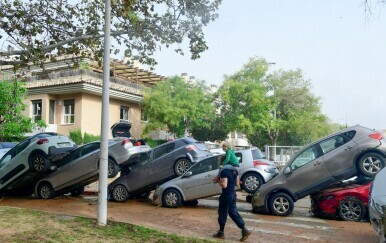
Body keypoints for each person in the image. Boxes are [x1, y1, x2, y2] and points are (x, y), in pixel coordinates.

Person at [212, 165, 251, 241]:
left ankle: (221, 232)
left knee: (222, 213)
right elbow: (237, 184)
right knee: (233, 213)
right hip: (233, 194)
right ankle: (244, 230)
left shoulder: (224, 171)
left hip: (226, 195)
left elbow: (224, 185)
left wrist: (218, 181)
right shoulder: (235, 171)